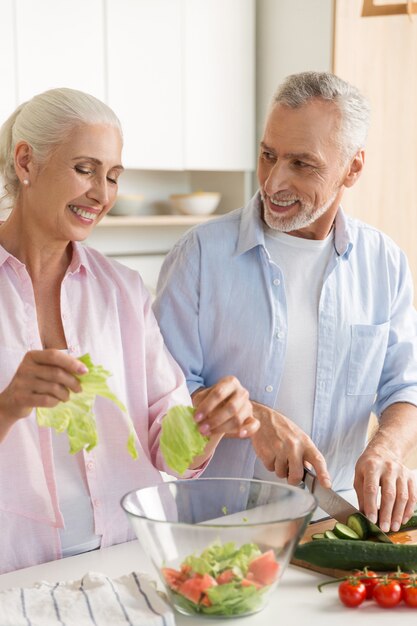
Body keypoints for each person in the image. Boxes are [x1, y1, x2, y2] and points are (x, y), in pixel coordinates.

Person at [0, 87, 257, 574]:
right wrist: (8, 404)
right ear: (26, 162)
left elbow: (170, 445)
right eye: (85, 169)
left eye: (113, 176)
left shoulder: (122, 290)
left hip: (128, 556)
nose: (102, 193)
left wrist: (207, 423)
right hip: (14, 567)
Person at [154, 71, 417, 534]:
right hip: (215, 528)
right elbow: (162, 399)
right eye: (268, 155)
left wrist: (388, 447)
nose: (274, 181)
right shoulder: (198, 256)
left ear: (353, 168)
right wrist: (250, 415)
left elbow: (405, 387)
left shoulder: (385, 264)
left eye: (303, 164)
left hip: (329, 525)